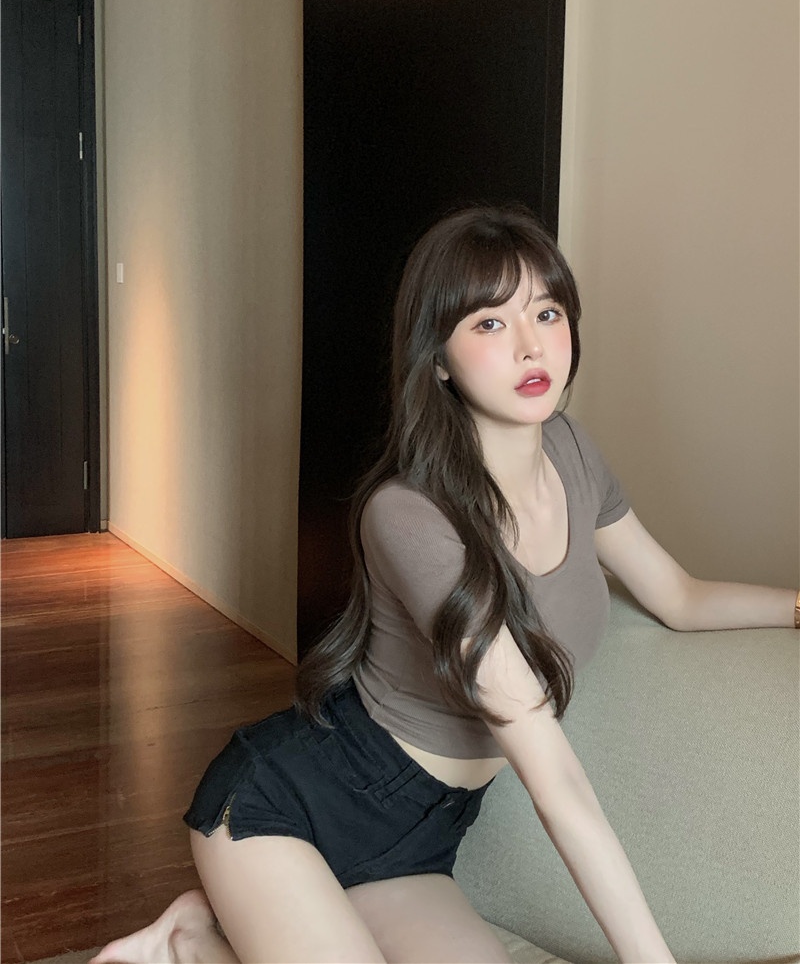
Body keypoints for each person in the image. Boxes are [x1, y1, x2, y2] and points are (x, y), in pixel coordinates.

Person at [92, 205, 796, 964]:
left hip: (427, 835)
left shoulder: (574, 453)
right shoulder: (409, 516)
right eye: (489, 323)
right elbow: (554, 777)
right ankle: (196, 939)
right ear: (439, 360)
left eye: (546, 312)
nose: (531, 345)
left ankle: (206, 933)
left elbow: (679, 596)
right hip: (293, 807)